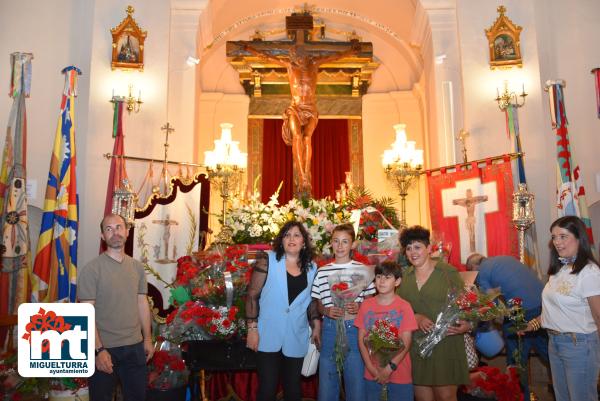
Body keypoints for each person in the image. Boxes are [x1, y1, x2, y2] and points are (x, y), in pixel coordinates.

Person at [243, 40, 360, 195]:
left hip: (310, 109)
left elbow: (335, 57)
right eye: (296, 58)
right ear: (293, 58)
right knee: (297, 137)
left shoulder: (315, 64)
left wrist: (351, 51)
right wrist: (249, 48)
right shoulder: (290, 67)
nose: (299, 60)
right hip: (295, 108)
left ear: (306, 56)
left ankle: (305, 172)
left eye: (302, 57)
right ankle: (302, 176)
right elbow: (267, 57)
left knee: (307, 138)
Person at [77, 213, 154, 401]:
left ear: (127, 232)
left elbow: (142, 303)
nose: (115, 232)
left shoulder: (137, 268)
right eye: (108, 229)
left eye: (119, 227)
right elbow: (86, 314)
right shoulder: (91, 269)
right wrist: (98, 350)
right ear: (103, 236)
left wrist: (148, 338)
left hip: (135, 348)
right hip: (105, 349)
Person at [523, 216, 600, 401]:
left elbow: (598, 315)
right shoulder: (559, 270)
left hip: (579, 344)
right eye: (554, 237)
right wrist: (530, 325)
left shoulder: (588, 272)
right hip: (554, 342)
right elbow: (552, 311)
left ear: (579, 237)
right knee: (562, 397)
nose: (557, 242)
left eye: (563, 236)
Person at [245, 221, 321, 401]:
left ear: (304, 241)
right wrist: (252, 329)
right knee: (267, 389)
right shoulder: (267, 259)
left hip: (296, 335)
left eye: (296, 235)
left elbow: (311, 302)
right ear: (281, 240)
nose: (291, 239)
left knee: (293, 389)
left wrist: (316, 325)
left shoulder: (312, 268)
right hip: (267, 335)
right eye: (287, 235)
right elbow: (252, 296)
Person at [397, 225, 470, 401]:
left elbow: (465, 303)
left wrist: (467, 324)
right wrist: (415, 317)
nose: (413, 252)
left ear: (429, 249)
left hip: (445, 344)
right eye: (408, 248)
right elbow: (397, 309)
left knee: (446, 397)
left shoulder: (447, 272)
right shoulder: (403, 278)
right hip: (415, 346)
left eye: (417, 247)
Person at [465, 254, 548, 401]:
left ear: (474, 268)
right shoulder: (504, 259)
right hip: (543, 307)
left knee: (516, 364)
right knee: (549, 354)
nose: (476, 280)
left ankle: (521, 398)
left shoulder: (482, 271)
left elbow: (490, 304)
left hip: (521, 311)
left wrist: (478, 323)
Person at [311, 223, 376, 401]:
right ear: (330, 243)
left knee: (356, 381)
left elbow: (371, 300)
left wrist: (360, 306)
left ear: (352, 244)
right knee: (327, 380)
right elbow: (318, 302)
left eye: (345, 241)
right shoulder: (322, 272)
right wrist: (327, 310)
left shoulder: (362, 270)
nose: (340, 246)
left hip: (355, 328)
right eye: (336, 241)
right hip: (331, 328)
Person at [356, 261, 418, 401]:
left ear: (397, 282)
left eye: (387, 277)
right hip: (373, 372)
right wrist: (371, 367)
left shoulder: (404, 306)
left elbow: (406, 343)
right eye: (378, 277)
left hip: (399, 372)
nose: (382, 281)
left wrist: (390, 368)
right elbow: (361, 339)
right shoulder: (366, 305)